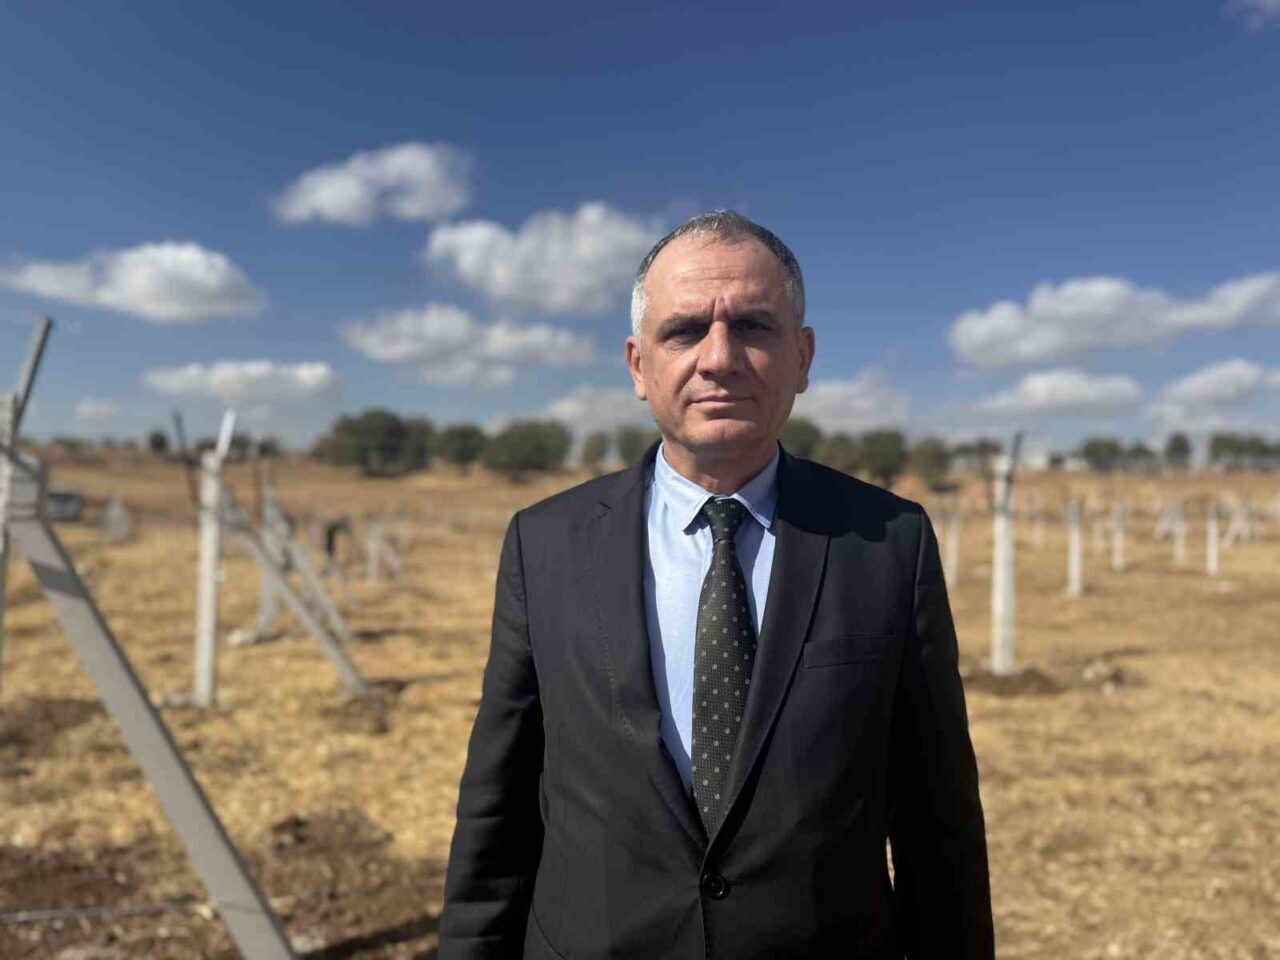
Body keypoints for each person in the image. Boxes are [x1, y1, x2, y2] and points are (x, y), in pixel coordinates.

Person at [438, 211, 994, 958]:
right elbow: (498, 811)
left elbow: (937, 822)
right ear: (638, 365)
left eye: (754, 327)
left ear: (803, 357)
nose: (720, 357)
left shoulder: (890, 542)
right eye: (685, 330)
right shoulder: (545, 544)